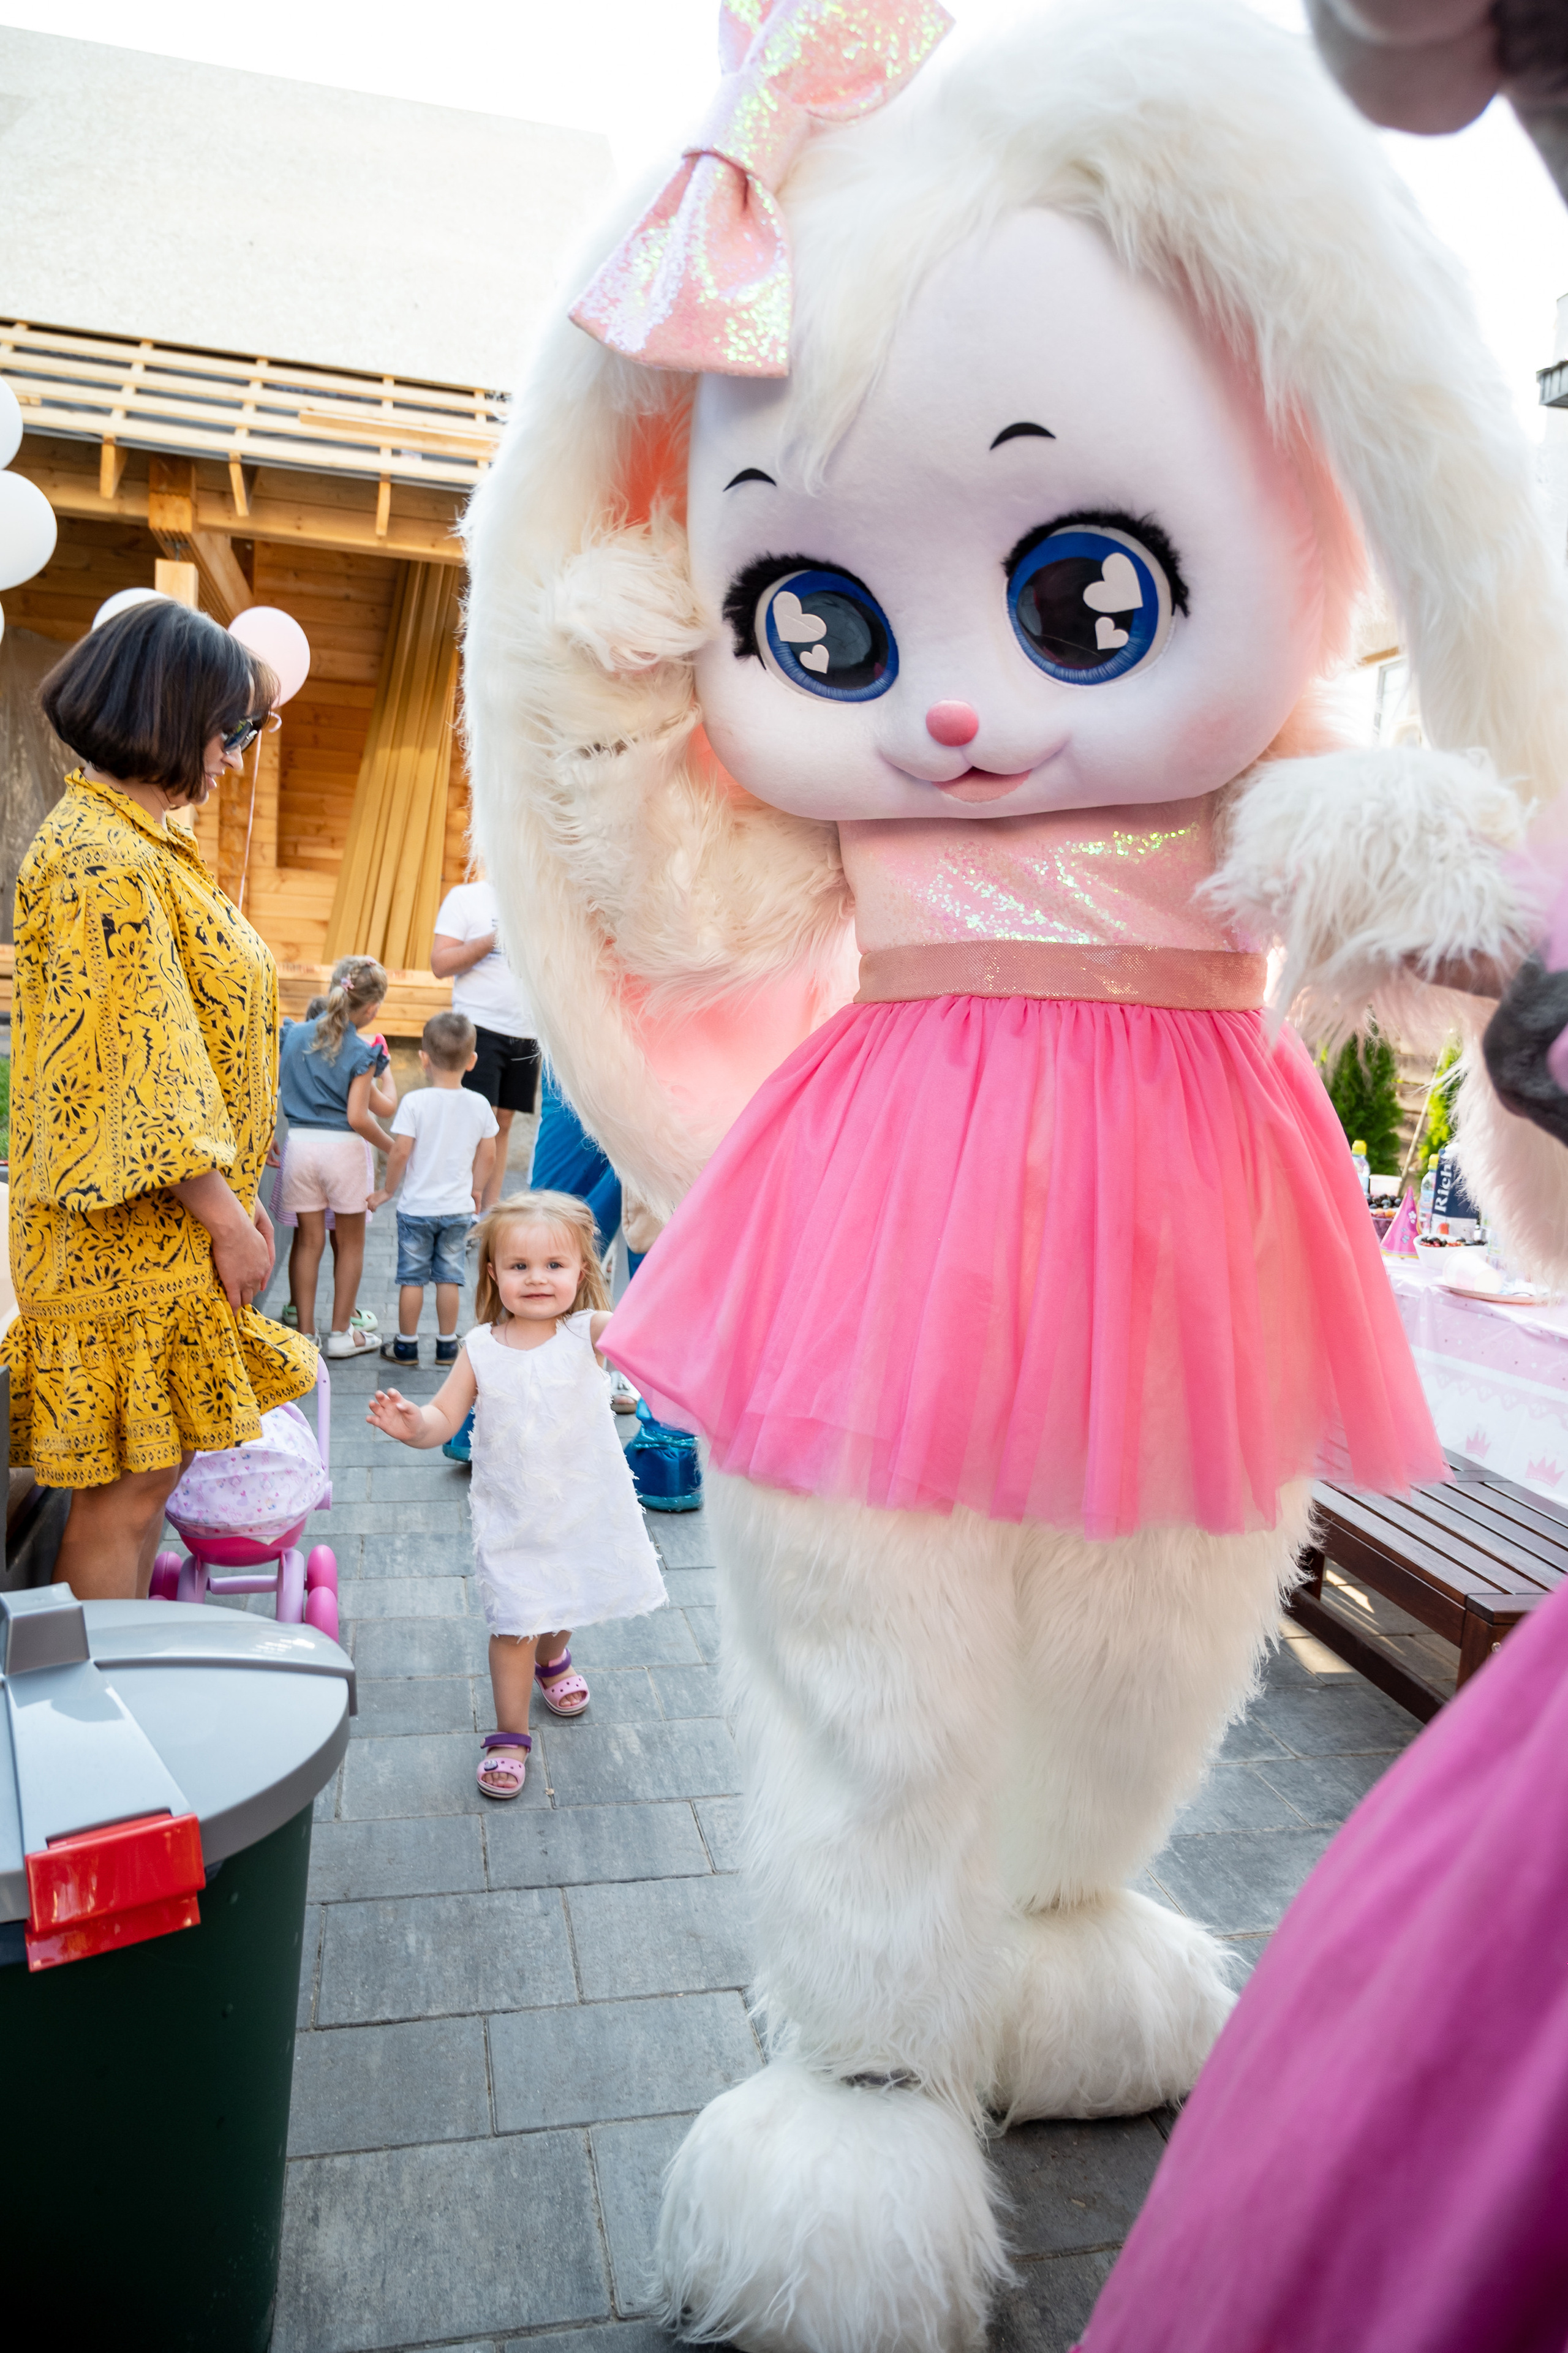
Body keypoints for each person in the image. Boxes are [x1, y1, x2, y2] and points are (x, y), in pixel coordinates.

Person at [7, 598, 316, 1599]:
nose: (234, 751)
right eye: (230, 727)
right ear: (172, 713)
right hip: (128, 1236)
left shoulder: (132, 841)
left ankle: (117, 1682)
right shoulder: (106, 860)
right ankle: (88, 1727)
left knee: (147, 1480)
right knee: (125, 1495)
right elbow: (139, 1072)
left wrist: (229, 1201)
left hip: (161, 1228)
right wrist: (226, 1217)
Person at [366, 1189, 666, 1796]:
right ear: (492, 1272)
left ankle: (553, 1660)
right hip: (512, 1517)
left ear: (584, 1271)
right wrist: (414, 1426)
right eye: (519, 1265)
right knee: (513, 1622)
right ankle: (509, 1736)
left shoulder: (591, 1331)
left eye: (554, 1265)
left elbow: (659, 1326)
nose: (537, 1278)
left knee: (566, 1597)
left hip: (583, 1507)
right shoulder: (479, 1348)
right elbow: (443, 1420)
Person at [278, 955, 393, 1355]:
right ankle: (343, 1334)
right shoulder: (363, 1052)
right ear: (372, 1008)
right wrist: (393, 1148)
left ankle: (305, 1335)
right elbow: (359, 1117)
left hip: (300, 1148)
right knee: (351, 1243)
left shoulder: (291, 1036)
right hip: (343, 1152)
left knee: (307, 1242)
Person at [369, 1010, 498, 1367]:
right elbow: (489, 1151)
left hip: (416, 1209)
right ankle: (446, 1345)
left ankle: (407, 1345)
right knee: (449, 1277)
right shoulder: (479, 1104)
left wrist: (386, 1191)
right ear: (472, 1061)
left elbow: (401, 1151)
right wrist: (477, 1190)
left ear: (423, 1059)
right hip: (458, 1208)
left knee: (412, 1279)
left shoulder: (415, 1103)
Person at [431, 871, 538, 1210]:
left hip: (528, 1031)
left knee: (502, 1121)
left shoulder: (542, 898)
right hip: (479, 1026)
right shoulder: (466, 898)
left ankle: (487, 1217)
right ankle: (459, 1211)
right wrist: (494, 939)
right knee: (477, 1121)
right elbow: (440, 963)